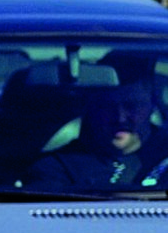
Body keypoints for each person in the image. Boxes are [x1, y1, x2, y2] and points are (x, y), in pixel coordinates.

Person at [24, 73, 168, 189]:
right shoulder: (58, 168)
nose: (120, 118)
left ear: (151, 107)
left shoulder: (164, 155)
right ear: (91, 110)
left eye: (131, 106)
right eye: (107, 107)